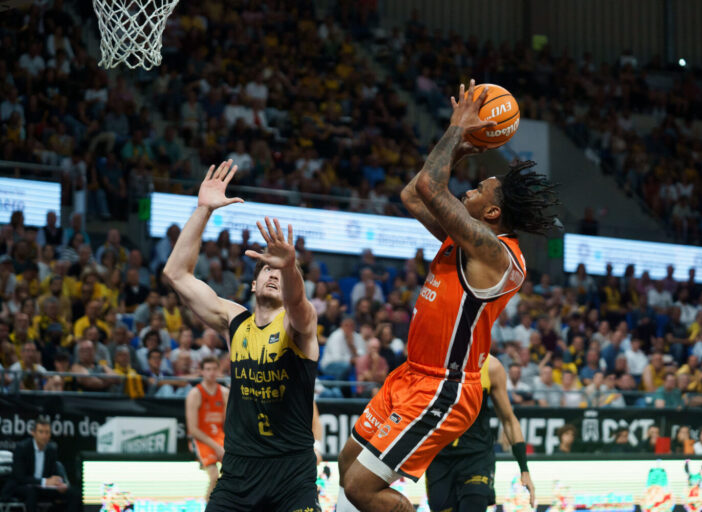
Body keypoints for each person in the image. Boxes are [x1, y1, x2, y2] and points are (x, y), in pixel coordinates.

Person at [338, 80, 558, 512]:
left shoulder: (496, 254)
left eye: (479, 191)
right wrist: (455, 151)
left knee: (361, 487)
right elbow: (412, 193)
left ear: (492, 214)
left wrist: (457, 130)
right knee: (348, 464)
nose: (469, 189)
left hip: (445, 386)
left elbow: (429, 190)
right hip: (411, 374)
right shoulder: (464, 238)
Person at [163, 160, 320, 511]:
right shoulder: (235, 320)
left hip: (291, 473)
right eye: (266, 268)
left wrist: (289, 265)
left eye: (279, 270)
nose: (273, 274)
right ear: (253, 282)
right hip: (238, 471)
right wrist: (203, 209)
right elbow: (176, 274)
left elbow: (298, 303)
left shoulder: (298, 324)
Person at [426, 356, 535, 512]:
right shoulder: (432, 360)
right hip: (439, 457)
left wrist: (524, 469)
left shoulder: (491, 366)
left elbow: (509, 420)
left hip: (477, 457)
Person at [0, 416, 77, 512]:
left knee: (73, 493)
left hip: (43, 488)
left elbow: (54, 472)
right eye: (41, 432)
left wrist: (60, 483)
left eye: (47, 432)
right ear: (33, 433)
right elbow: (20, 477)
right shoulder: (22, 448)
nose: (44, 436)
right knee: (32, 492)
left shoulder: (51, 449)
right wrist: (44, 481)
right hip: (21, 486)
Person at [186, 356, 229, 500]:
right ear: (202, 372)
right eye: (208, 369)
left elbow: (228, 424)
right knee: (214, 475)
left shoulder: (224, 392)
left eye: (214, 369)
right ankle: (208, 506)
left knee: (235, 474)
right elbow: (193, 429)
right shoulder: (195, 393)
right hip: (202, 439)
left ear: (218, 371)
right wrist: (217, 447)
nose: (211, 372)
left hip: (219, 437)